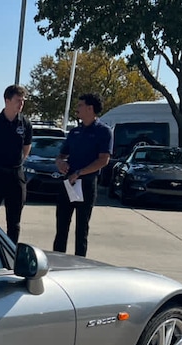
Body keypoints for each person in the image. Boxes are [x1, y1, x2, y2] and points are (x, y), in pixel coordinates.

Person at [53, 93, 113, 257]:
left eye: (80, 105)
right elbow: (61, 155)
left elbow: (103, 160)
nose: (77, 109)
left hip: (86, 184)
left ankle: (79, 264)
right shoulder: (74, 132)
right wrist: (60, 163)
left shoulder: (104, 131)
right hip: (68, 183)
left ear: (90, 108)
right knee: (61, 227)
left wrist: (80, 173)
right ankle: (58, 262)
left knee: (81, 229)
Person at [0, 85, 33, 243]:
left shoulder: (25, 124)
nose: (21, 104)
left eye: (22, 101)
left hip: (15, 176)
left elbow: (26, 149)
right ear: (7, 100)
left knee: (14, 221)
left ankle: (12, 253)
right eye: (18, 100)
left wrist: (15, 167)